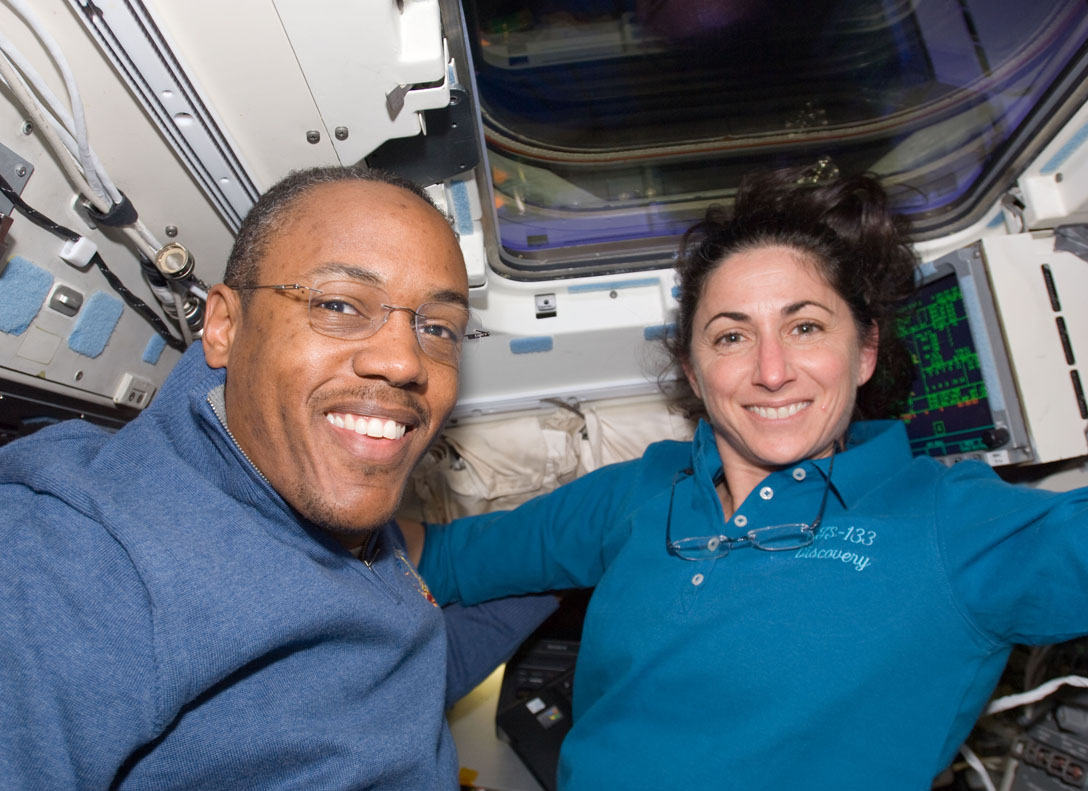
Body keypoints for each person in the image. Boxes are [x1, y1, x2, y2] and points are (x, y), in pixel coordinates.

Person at [408, 167, 1088, 789]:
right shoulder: (642, 489)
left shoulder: (952, 520)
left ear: (865, 351)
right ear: (693, 368)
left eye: (806, 326)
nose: (771, 370)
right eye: (732, 336)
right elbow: (442, 558)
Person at [0, 166, 554, 790]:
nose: (406, 361)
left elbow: (391, 671)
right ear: (223, 326)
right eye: (342, 305)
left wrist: (573, 574)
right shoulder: (59, 560)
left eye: (438, 327)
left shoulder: (315, 490)